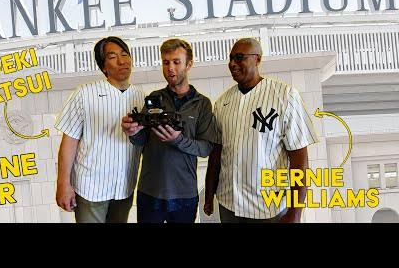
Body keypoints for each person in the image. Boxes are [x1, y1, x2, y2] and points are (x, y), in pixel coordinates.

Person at [204, 37, 319, 223]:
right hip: (229, 205)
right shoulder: (222, 102)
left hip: (268, 210)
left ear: (257, 59)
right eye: (231, 58)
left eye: (239, 57)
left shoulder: (285, 96)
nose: (232, 64)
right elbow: (216, 154)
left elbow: (299, 160)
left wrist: (295, 212)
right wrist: (209, 194)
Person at [122, 38, 218, 223]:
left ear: (189, 64)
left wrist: (178, 140)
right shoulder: (154, 99)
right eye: (166, 63)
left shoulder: (202, 104)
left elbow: (205, 148)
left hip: (185, 195)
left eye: (176, 62)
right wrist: (132, 132)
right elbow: (142, 140)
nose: (170, 68)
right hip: (150, 192)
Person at [55, 36, 145, 223]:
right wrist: (63, 184)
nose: (122, 61)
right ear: (103, 66)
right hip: (90, 188)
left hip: (124, 187)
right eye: (112, 57)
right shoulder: (84, 94)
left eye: (124, 54)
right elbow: (69, 141)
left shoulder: (140, 96)